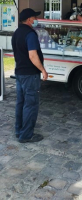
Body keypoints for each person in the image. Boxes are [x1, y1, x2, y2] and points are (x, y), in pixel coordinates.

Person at [12, 8, 48, 143]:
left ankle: (19, 130)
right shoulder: (30, 34)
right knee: (31, 104)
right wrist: (43, 70)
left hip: (19, 73)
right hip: (30, 74)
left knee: (20, 103)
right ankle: (26, 135)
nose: (35, 20)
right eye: (34, 18)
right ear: (29, 20)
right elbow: (32, 55)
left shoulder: (16, 33)